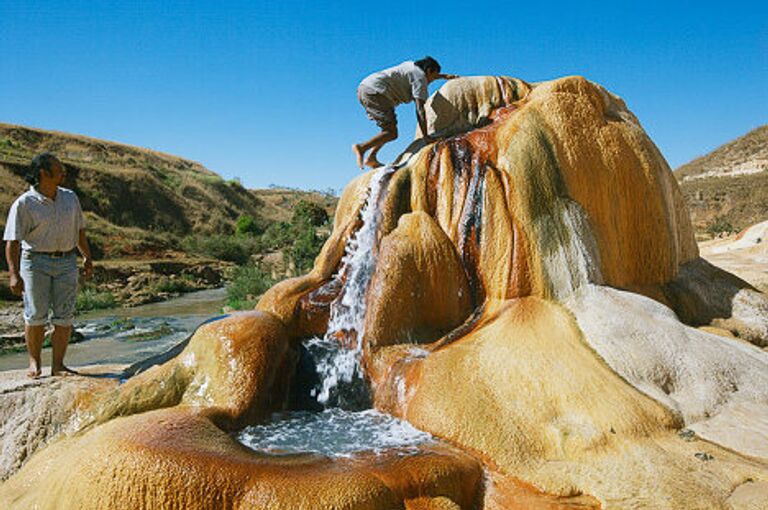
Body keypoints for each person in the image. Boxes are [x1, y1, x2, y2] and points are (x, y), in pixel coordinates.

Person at [4, 152, 93, 378]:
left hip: (67, 261)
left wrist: (87, 257)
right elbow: (12, 241)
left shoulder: (70, 198)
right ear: (43, 173)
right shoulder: (24, 203)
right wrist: (14, 274)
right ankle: (34, 363)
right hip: (35, 262)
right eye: (59, 168)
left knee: (65, 315)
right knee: (35, 314)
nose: (63, 172)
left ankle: (58, 366)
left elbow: (79, 230)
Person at [352, 56, 458, 169]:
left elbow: (428, 74)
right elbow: (420, 110)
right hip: (377, 92)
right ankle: (361, 148)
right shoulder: (420, 78)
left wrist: (444, 76)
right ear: (428, 71)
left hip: (366, 88)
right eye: (433, 76)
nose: (431, 81)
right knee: (391, 133)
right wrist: (426, 136)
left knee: (387, 131)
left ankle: (371, 157)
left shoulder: (411, 66)